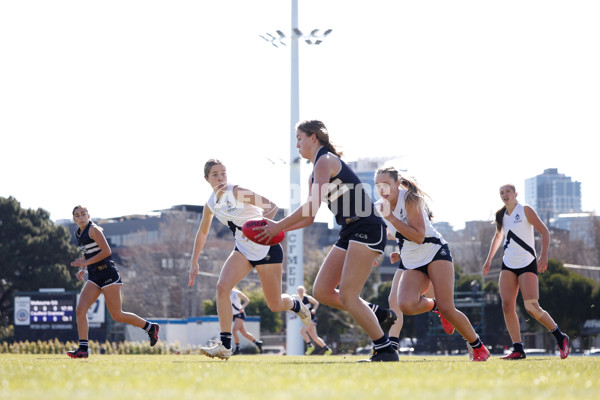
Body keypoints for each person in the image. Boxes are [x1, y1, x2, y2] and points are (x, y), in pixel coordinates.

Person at [255, 120, 398, 362]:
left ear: (314, 138)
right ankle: (377, 313)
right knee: (321, 291)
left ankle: (385, 349)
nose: (297, 144)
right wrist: (280, 231)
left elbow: (310, 206)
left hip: (367, 226)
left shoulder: (326, 160)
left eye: (300, 138)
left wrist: (277, 226)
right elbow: (310, 216)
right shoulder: (315, 173)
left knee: (348, 296)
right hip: (350, 230)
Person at [188, 159, 312, 360]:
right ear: (206, 179)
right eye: (215, 174)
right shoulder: (210, 205)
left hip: (266, 245)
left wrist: (261, 229)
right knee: (222, 287)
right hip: (243, 249)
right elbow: (202, 233)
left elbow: (271, 206)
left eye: (223, 173)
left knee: (275, 304)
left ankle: (295, 304)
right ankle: (225, 345)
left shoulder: (237, 191)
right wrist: (194, 261)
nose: (220, 178)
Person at [374, 167, 490, 361]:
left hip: (435, 253)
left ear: (397, 184)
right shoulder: (380, 206)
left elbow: (419, 236)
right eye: (378, 185)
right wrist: (379, 252)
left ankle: (478, 347)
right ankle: (435, 305)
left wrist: (391, 218)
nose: (382, 189)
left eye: (386, 184)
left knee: (448, 308)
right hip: (412, 261)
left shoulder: (410, 199)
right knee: (406, 305)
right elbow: (388, 232)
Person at [483, 184, 570, 360]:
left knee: (531, 307)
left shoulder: (525, 210)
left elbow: (544, 231)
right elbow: (498, 236)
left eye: (508, 192)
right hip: (508, 264)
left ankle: (560, 337)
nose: (505, 195)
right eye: (502, 193)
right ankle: (518, 349)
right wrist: (489, 259)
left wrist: (544, 256)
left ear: (515, 194)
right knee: (507, 305)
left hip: (527, 263)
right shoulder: (501, 215)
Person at [68, 206, 160, 358]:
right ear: (74, 220)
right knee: (80, 310)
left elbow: (106, 251)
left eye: (83, 214)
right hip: (94, 276)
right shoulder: (78, 233)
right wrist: (84, 268)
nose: (81, 217)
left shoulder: (94, 230)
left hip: (108, 274)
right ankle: (83, 349)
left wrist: (85, 263)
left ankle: (150, 327)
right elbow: (87, 252)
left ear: (88, 215)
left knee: (117, 315)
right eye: (77, 215)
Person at [296, 285, 332, 356]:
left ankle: (310, 345)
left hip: (312, 319)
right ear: (297, 292)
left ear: (304, 291)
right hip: (306, 319)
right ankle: (327, 349)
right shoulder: (298, 300)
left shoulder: (307, 297)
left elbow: (316, 303)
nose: (300, 292)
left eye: (301, 290)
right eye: (299, 291)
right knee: (315, 337)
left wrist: (314, 309)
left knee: (302, 331)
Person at [230, 287, 263, 354]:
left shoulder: (236, 293)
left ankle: (237, 349)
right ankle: (257, 343)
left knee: (234, 331)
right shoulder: (226, 293)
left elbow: (247, 300)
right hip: (234, 315)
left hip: (240, 314)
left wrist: (242, 307)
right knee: (244, 333)